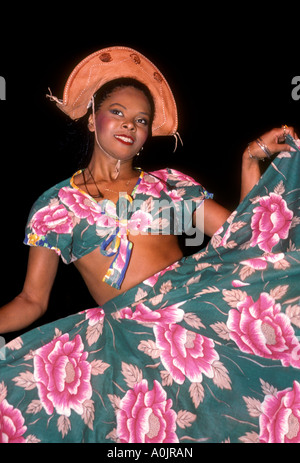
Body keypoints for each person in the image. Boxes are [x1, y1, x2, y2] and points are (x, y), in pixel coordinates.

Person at [0, 46, 300, 444]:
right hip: (133, 345)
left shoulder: (167, 185)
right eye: (118, 112)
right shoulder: (56, 208)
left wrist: (250, 161)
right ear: (93, 120)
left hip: (197, 313)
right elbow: (31, 301)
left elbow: (244, 234)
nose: (129, 125)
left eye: (141, 120)